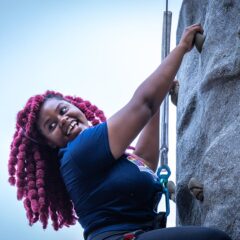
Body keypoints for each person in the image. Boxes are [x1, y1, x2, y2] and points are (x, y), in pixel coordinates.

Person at [8, 23, 231, 240]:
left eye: (63, 110)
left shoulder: (100, 160)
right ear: (51, 144)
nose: (63, 120)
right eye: (52, 126)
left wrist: (160, 95)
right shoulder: (78, 152)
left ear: (76, 106)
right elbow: (143, 104)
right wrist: (181, 49)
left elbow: (144, 160)